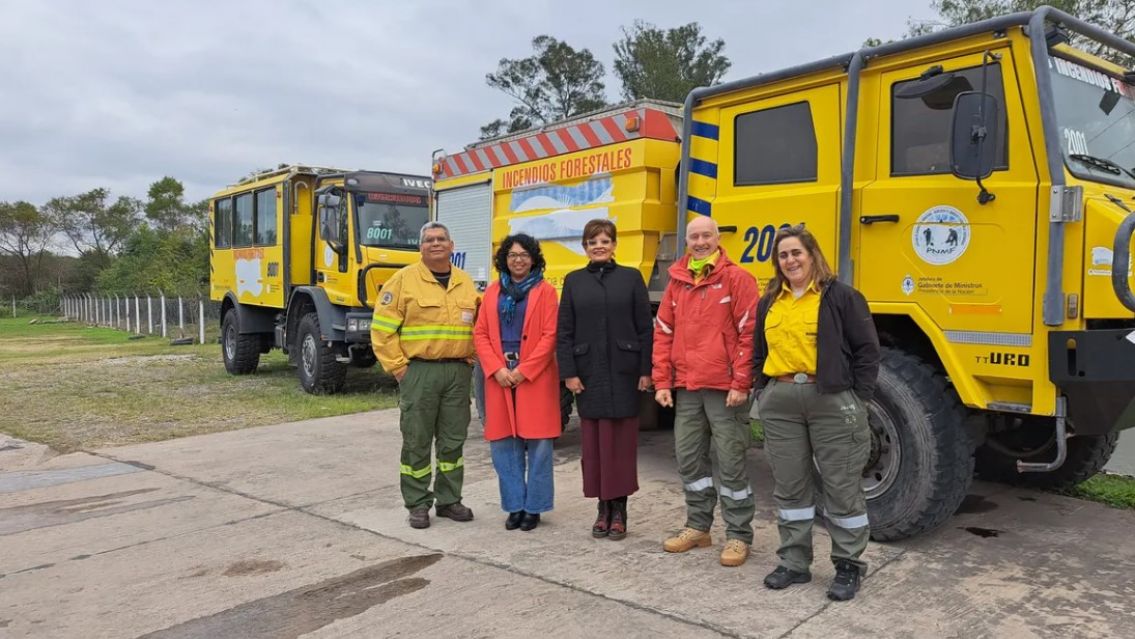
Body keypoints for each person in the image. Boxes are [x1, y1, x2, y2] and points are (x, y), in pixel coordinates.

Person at [752, 224, 880, 601]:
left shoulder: (841, 297)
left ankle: (848, 565)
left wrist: (857, 399)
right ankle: (794, 562)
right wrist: (763, 389)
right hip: (781, 400)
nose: (790, 260)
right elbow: (758, 350)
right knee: (790, 486)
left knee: (841, 487)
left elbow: (867, 351)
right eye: (783, 255)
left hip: (831, 399)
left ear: (812, 255)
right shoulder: (769, 301)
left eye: (797, 253)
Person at [653, 215, 759, 567]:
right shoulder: (677, 281)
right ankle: (698, 526)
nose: (700, 242)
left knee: (731, 464)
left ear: (717, 238)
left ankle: (739, 534)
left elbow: (749, 333)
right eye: (694, 237)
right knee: (689, 459)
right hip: (688, 387)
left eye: (706, 236)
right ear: (686, 242)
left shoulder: (737, 279)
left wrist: (741, 382)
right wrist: (662, 381)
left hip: (725, 390)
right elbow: (663, 332)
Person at [371, 221, 481, 530]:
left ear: (451, 245)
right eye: (429, 239)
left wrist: (471, 357)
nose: (435, 243)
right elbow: (382, 330)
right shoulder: (403, 281)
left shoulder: (465, 282)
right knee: (417, 440)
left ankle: (449, 500)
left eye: (441, 239)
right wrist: (399, 368)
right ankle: (418, 503)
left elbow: (480, 325)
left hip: (458, 372)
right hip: (419, 371)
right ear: (420, 247)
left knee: (453, 440)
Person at [556, 219, 652, 541]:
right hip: (588, 374)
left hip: (625, 373)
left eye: (605, 240)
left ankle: (620, 510)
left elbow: (645, 328)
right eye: (592, 241)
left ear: (614, 245)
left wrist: (645, 370)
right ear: (585, 247)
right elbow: (564, 332)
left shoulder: (631, 278)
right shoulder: (574, 281)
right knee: (595, 446)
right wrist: (569, 373)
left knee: (621, 446)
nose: (599, 246)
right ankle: (602, 509)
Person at [473, 233, 561, 532]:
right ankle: (514, 505)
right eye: (512, 255)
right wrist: (496, 369)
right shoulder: (492, 292)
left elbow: (550, 335)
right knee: (503, 443)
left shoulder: (546, 292)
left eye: (524, 254)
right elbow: (480, 333)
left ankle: (534, 507)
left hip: (534, 374)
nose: (518, 260)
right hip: (500, 374)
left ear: (533, 259)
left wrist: (525, 370)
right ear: (504, 259)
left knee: (539, 444)